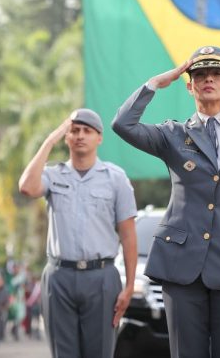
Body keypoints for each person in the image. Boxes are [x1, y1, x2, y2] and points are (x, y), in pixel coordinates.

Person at [112, 46, 220, 358]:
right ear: (189, 85)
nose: (208, 80)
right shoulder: (173, 134)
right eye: (199, 75)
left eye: (217, 74)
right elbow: (123, 124)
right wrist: (156, 83)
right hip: (181, 264)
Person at [19, 108, 138, 358]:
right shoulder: (53, 174)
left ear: (99, 138)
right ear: (66, 137)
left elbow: (128, 236)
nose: (80, 135)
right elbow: (27, 187)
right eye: (74, 131)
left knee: (100, 352)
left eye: (87, 131)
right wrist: (50, 140)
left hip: (102, 277)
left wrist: (128, 287)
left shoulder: (115, 179)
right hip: (59, 277)